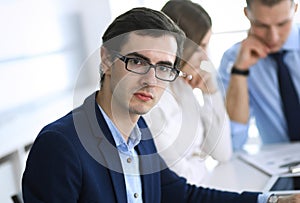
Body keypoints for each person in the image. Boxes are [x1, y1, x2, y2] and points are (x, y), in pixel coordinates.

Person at [22, 6, 300, 203]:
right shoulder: (61, 145)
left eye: (164, 67)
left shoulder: (139, 133)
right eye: (138, 62)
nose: (151, 81)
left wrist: (272, 201)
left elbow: (180, 194)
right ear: (106, 60)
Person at [143, 0, 232, 186]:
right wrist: (199, 162)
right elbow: (179, 180)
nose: (206, 56)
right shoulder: (150, 100)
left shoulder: (181, 86)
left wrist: (211, 90)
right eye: (203, 45)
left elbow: (222, 152)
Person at [218, 0, 300, 150]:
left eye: (282, 24)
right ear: (247, 14)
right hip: (278, 169)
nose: (273, 37)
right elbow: (232, 143)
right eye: (262, 25)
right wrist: (240, 71)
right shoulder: (233, 59)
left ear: (295, 9)